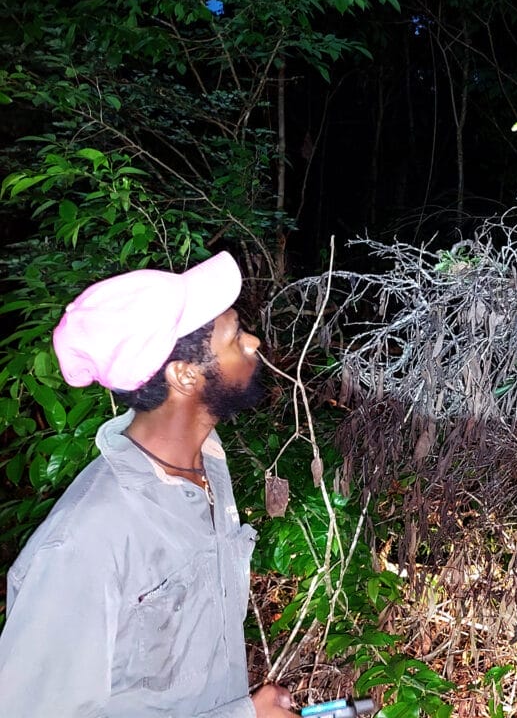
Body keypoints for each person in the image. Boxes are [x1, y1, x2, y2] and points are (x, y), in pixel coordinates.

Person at [0, 252, 296, 717]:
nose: (253, 342)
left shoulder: (208, 467)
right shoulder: (86, 539)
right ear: (184, 375)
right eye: (235, 334)